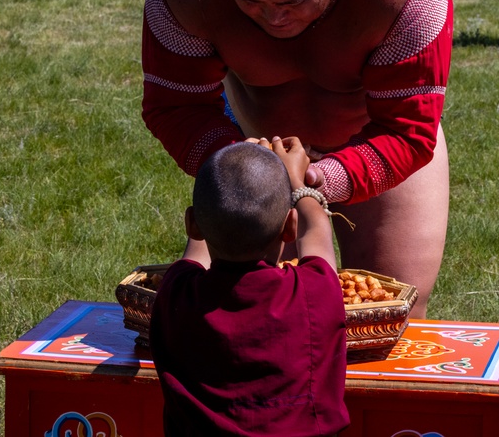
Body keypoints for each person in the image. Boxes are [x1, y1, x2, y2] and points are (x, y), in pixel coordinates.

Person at [141, 0, 453, 318]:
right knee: (234, 315)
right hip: (252, 148)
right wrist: (245, 166)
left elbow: (407, 129)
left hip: (377, 139)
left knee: (389, 317)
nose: (274, 16)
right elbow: (175, 106)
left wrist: (314, 180)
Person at [149, 138, 350, 437]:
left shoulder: (177, 295)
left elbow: (196, 251)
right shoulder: (312, 291)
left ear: (193, 224)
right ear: (289, 227)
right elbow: (316, 230)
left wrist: (228, 173)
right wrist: (296, 180)